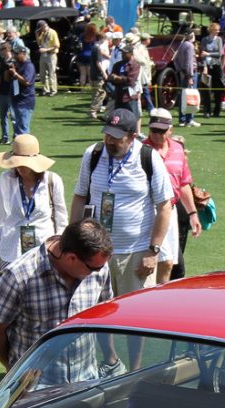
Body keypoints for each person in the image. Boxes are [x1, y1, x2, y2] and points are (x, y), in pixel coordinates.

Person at [0, 218, 114, 373]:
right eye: (94, 268)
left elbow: (103, 316)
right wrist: (15, 370)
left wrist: (111, 358)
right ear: (71, 258)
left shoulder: (98, 266)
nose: (100, 270)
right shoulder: (18, 276)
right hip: (36, 386)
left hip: (85, 378)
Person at [70, 108, 173, 297]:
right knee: (95, 318)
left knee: (135, 318)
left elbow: (165, 207)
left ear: (133, 136)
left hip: (136, 255)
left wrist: (153, 251)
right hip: (94, 252)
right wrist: (73, 242)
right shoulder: (92, 154)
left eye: (117, 137)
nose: (110, 140)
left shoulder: (149, 158)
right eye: (107, 134)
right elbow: (80, 197)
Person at [0, 134, 66, 277]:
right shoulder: (5, 179)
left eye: (24, 163)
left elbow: (62, 220)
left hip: (44, 255)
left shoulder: (52, 181)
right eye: (16, 162)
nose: (19, 167)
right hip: (10, 252)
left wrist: (59, 253)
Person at [143, 108, 201, 284]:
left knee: (168, 263)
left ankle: (158, 300)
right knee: (149, 263)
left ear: (170, 130)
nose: (157, 135)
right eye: (154, 130)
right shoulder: (141, 150)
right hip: (147, 211)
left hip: (171, 210)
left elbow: (183, 183)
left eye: (161, 131)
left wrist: (192, 213)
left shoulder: (177, 149)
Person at [6, 46, 36, 137]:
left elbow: (27, 82)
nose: (14, 56)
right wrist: (9, 70)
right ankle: (18, 148)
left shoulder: (28, 66)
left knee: (23, 128)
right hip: (16, 99)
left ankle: (25, 149)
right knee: (17, 127)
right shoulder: (16, 65)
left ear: (23, 53)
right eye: (13, 54)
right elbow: (6, 79)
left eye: (16, 54)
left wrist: (15, 73)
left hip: (25, 101)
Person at [36, 18, 59, 97]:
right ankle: (45, 89)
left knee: (51, 73)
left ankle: (53, 90)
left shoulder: (52, 32)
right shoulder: (42, 33)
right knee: (42, 73)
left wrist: (46, 49)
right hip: (43, 55)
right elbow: (39, 42)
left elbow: (57, 45)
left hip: (51, 55)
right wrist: (37, 34)